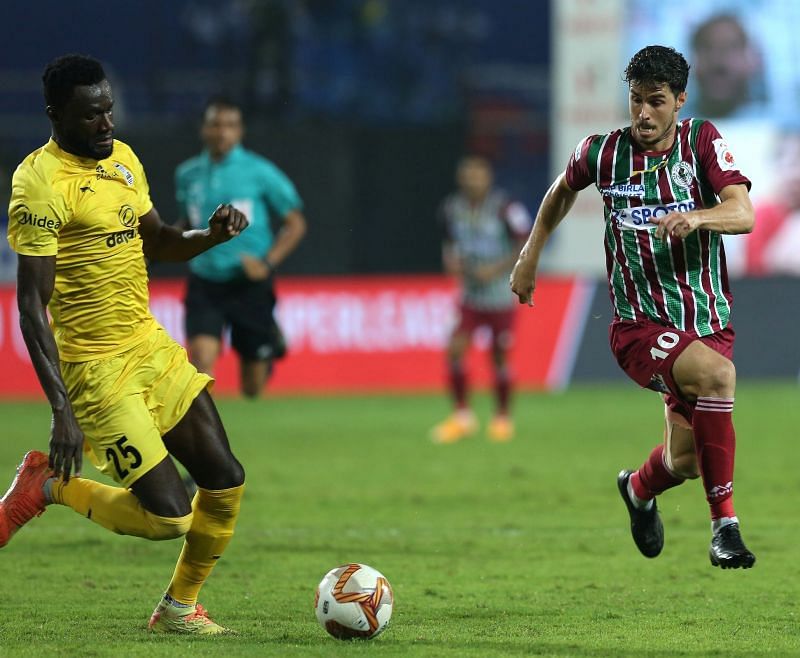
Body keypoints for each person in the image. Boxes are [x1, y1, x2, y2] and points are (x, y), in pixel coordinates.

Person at [1, 54, 250, 634]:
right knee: (168, 520)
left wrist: (210, 237)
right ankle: (51, 485)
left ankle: (179, 610)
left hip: (150, 347)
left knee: (225, 479)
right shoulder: (37, 182)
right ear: (56, 115)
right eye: (91, 116)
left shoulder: (123, 160)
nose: (107, 124)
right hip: (95, 369)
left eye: (109, 110)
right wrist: (62, 408)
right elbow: (30, 305)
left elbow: (159, 242)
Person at [510, 45, 757, 569]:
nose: (643, 113)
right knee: (718, 377)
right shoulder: (603, 153)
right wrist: (531, 253)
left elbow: (742, 213)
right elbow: (561, 190)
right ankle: (725, 528)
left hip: (707, 321)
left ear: (679, 101)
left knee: (686, 461)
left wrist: (698, 217)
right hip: (639, 327)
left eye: (656, 102)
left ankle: (639, 490)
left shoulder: (702, 143)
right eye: (636, 100)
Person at [175, 97, 307, 398]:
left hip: (250, 283)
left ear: (240, 131)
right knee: (201, 359)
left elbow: (296, 223)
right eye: (216, 124)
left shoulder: (260, 172)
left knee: (252, 389)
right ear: (204, 129)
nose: (222, 132)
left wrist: (267, 264)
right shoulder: (187, 174)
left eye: (230, 125)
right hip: (205, 280)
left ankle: (267, 340)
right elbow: (187, 221)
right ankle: (207, 436)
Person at [430, 155, 532, 444]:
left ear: (488, 178)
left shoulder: (505, 208)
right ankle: (462, 416)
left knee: (499, 355)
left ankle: (502, 418)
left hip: (500, 292)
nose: (472, 181)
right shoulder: (452, 208)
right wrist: (449, 260)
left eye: (477, 175)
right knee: (455, 348)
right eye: (467, 175)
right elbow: (449, 242)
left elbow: (525, 240)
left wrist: (498, 268)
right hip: (470, 293)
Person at [683, 13, 766, 120]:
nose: (717, 61)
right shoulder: (672, 129)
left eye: (731, 47)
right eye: (707, 48)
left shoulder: (779, 129)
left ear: (751, 60)